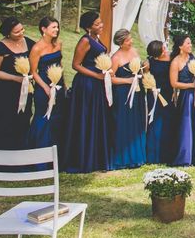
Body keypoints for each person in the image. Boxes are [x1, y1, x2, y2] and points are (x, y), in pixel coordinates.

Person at [63, 11, 111, 173]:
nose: (101, 25)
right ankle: (83, 157)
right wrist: (96, 75)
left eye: (100, 22)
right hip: (86, 84)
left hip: (97, 83)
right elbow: (76, 65)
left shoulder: (96, 38)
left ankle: (95, 156)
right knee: (86, 117)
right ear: (88, 27)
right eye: (97, 24)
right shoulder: (85, 41)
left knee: (96, 116)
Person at [0, 17, 35, 150]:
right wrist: (15, 78)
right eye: (16, 32)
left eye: (22, 29)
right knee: (5, 120)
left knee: (23, 118)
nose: (21, 33)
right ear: (7, 33)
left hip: (26, 90)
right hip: (6, 92)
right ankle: (0, 152)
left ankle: (20, 150)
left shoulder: (29, 42)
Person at [109, 29, 147, 169]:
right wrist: (128, 81)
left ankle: (138, 156)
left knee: (136, 122)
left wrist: (144, 70)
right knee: (124, 123)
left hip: (137, 91)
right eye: (128, 40)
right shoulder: (116, 58)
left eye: (131, 39)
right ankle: (123, 157)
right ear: (121, 42)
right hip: (123, 94)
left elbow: (140, 70)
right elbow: (111, 79)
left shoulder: (134, 52)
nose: (131, 41)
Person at [28, 17, 67, 151]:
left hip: (58, 84)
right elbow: (33, 72)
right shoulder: (37, 48)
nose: (56, 30)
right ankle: (39, 151)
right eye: (53, 27)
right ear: (43, 29)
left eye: (57, 27)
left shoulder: (58, 44)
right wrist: (45, 87)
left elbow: (60, 65)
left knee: (58, 115)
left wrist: (64, 84)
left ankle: (56, 151)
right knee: (43, 115)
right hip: (43, 86)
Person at [171, 34, 195, 166]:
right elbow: (174, 83)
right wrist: (190, 85)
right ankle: (185, 156)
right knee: (186, 125)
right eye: (188, 43)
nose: (190, 46)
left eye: (191, 43)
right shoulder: (176, 62)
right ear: (180, 46)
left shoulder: (192, 58)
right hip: (186, 97)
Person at [146, 40, 176, 164]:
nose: (166, 48)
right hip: (154, 94)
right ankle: (154, 155)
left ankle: (167, 154)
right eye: (163, 47)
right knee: (155, 123)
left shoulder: (172, 58)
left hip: (168, 94)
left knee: (168, 123)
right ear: (160, 51)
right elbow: (146, 76)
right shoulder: (149, 62)